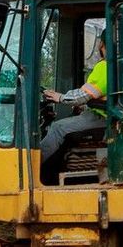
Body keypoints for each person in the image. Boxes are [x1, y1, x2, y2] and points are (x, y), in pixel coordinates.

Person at [40, 34, 108, 173]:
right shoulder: (119, 66)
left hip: (102, 119)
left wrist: (60, 97)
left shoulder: (105, 67)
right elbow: (100, 96)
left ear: (102, 45)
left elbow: (84, 95)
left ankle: (33, 167)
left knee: (57, 128)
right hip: (102, 116)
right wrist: (83, 106)